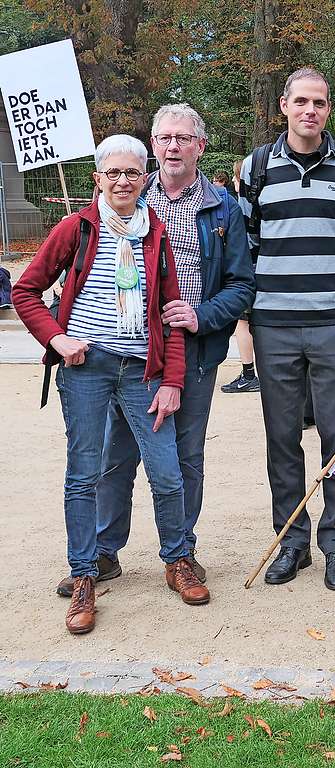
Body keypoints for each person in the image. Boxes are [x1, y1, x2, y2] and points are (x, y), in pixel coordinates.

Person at [50, 104, 256, 599]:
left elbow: (243, 286)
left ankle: (180, 552)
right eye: (163, 138)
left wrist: (201, 314)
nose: (172, 146)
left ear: (200, 145)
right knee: (111, 455)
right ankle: (103, 551)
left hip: (194, 351)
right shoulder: (132, 194)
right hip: (126, 351)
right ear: (152, 146)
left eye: (183, 138)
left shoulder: (223, 208)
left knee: (181, 458)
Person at [13, 134, 209, 634]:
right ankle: (84, 575)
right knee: (85, 473)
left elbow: (169, 317)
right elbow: (26, 290)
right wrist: (57, 340)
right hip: (87, 369)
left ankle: (177, 559)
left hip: (142, 370)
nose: (123, 181)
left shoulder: (156, 234)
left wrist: (172, 380)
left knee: (166, 470)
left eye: (132, 173)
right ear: (98, 179)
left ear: (145, 180)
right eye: (113, 173)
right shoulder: (75, 229)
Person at [238, 67, 335, 591]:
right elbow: (247, 245)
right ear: (284, 105)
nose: (310, 111)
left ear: (327, 107)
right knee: (282, 437)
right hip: (275, 324)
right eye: (301, 102)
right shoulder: (256, 167)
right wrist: (253, 311)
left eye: (319, 102)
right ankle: (291, 540)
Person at [222, 157, 260, 393]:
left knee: (242, 324)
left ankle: (249, 374)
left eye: (236, 178)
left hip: (247, 273)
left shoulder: (240, 206)